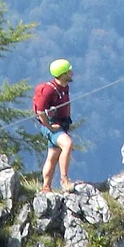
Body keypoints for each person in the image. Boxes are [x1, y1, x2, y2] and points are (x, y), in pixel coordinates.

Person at [34, 59, 75, 194]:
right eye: (69, 71)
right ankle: (64, 180)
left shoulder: (64, 88)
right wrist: (50, 127)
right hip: (51, 126)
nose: (71, 73)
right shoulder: (49, 91)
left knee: (53, 155)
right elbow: (40, 111)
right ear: (63, 74)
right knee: (67, 144)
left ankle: (46, 187)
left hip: (61, 125)